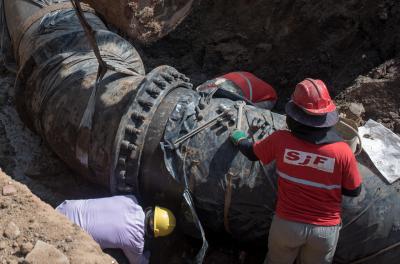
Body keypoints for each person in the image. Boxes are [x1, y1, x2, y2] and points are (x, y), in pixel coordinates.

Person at [230, 78, 362, 264]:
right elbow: (353, 190)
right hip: (324, 231)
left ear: (294, 116)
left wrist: (239, 139)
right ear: (326, 118)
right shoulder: (342, 151)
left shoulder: (281, 140)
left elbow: (252, 153)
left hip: (287, 225)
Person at [56, 195, 176, 264]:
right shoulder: (136, 242)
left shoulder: (131, 199)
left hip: (64, 208)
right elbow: (138, 262)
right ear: (153, 233)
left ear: (152, 210)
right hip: (70, 237)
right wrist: (148, 256)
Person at [196, 71, 278, 109]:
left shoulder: (235, 92)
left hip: (269, 97)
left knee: (249, 110)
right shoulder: (211, 84)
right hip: (245, 77)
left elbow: (244, 106)